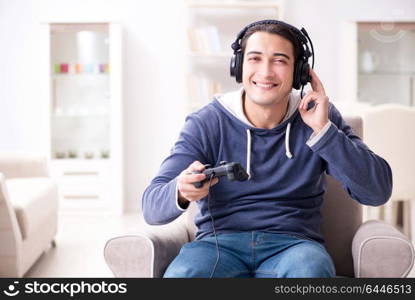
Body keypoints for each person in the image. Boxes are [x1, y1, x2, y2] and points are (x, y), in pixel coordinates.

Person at [141, 20, 393, 278]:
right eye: (254, 58)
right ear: (238, 67)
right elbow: (151, 207)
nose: (266, 72)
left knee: (311, 271)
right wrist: (180, 191)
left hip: (295, 246)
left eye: (280, 60)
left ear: (300, 72)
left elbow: (377, 191)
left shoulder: (320, 118)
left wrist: (324, 132)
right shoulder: (207, 122)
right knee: (184, 274)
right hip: (217, 245)